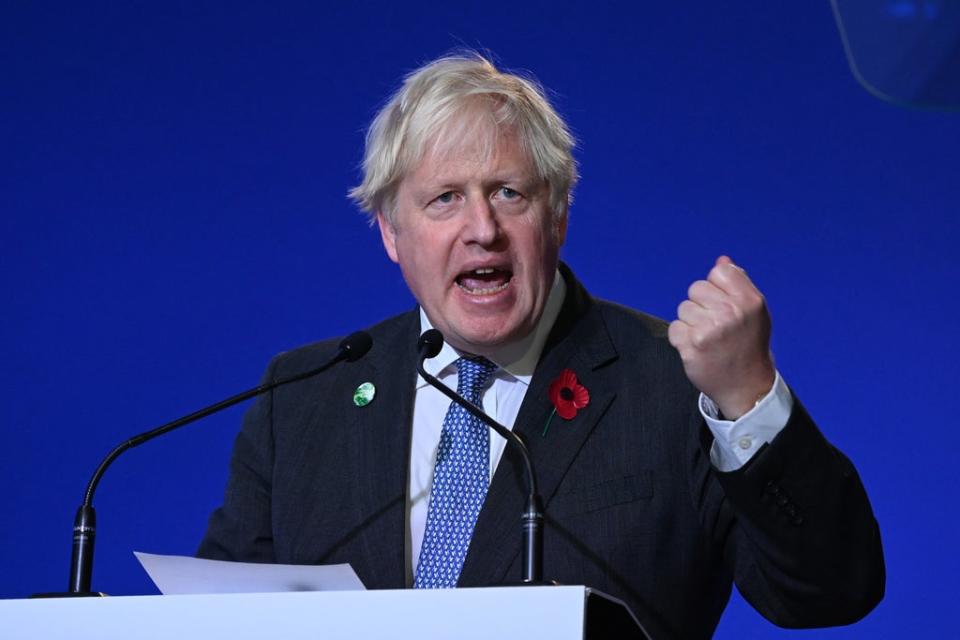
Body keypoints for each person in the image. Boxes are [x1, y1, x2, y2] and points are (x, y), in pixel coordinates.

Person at [198, 53, 884, 639]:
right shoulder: (303, 398)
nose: (482, 229)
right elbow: (221, 620)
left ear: (558, 215)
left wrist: (747, 397)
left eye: (508, 193)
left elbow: (828, 591)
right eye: (444, 200)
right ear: (390, 233)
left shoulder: (671, 388)